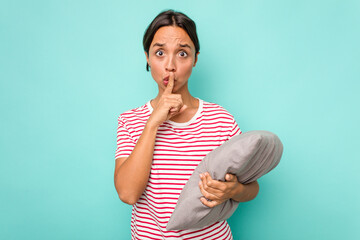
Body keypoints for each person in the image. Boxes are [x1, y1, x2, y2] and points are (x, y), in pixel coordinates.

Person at [114, 9, 259, 239]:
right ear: (147, 57)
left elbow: (252, 188)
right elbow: (128, 194)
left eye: (182, 53)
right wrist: (152, 124)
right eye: (160, 52)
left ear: (195, 59)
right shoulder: (130, 121)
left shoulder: (221, 120)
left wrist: (234, 190)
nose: (170, 65)